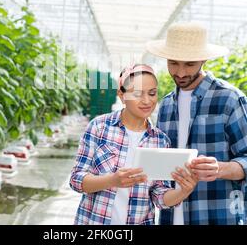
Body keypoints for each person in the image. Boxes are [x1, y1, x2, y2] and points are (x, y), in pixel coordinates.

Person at [146, 22, 247, 225]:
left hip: (215, 214)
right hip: (171, 216)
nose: (180, 73)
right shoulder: (165, 105)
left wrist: (220, 169)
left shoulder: (230, 99)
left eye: (189, 64)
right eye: (173, 63)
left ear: (204, 60)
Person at [69, 64, 198, 225]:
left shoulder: (160, 140)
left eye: (152, 93)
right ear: (122, 95)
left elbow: (158, 195)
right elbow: (76, 180)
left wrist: (183, 191)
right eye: (137, 94)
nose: (147, 101)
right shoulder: (99, 127)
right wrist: (112, 180)